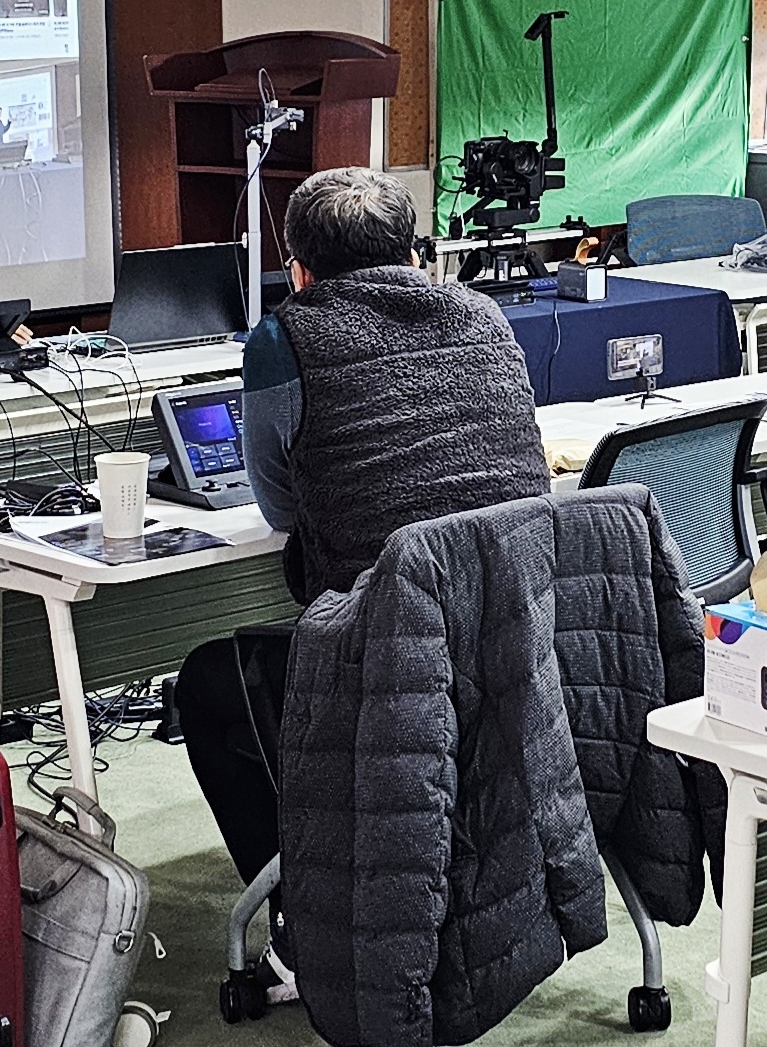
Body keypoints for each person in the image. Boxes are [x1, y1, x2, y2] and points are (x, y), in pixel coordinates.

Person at [177, 168, 551, 925]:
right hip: (521, 638)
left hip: (388, 654)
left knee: (206, 684)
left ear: (298, 272)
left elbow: (281, 507)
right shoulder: (483, 313)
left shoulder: (282, 339)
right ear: (414, 255)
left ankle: (299, 921)